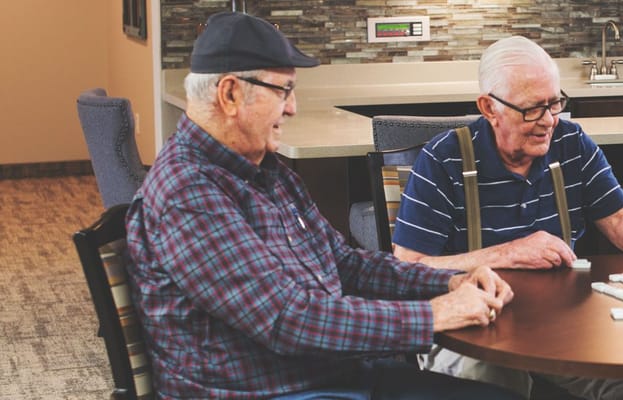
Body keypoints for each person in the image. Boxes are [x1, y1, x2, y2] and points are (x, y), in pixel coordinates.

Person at [124, 12, 521, 399]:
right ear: (229, 94)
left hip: (327, 375)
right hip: (265, 389)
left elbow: (345, 263)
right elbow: (287, 319)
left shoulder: (265, 170)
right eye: (283, 91)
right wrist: (436, 313)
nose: (293, 107)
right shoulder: (188, 193)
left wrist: (449, 280)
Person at [390, 36, 623, 399]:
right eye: (533, 109)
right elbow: (408, 267)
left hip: (561, 325)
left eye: (555, 103)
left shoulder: (571, 142)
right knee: (495, 385)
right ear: (489, 108)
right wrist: (504, 254)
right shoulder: (443, 159)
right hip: (474, 332)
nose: (548, 120)